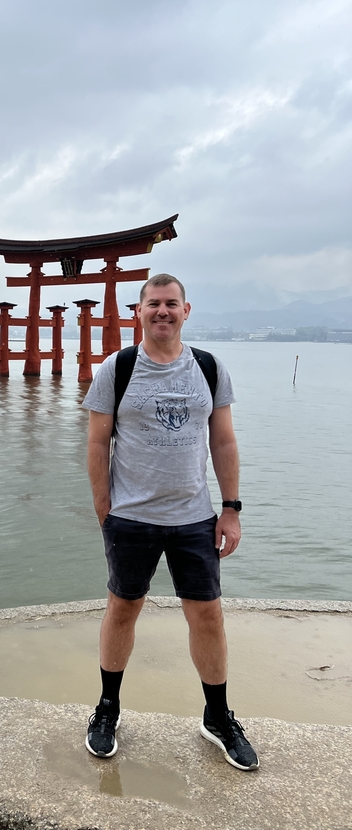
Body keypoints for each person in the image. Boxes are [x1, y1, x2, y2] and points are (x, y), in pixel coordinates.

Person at [82, 272, 259, 771]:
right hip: (131, 516)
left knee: (207, 616)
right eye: (153, 304)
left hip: (193, 517)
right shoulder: (116, 369)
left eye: (171, 304)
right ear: (137, 312)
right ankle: (108, 708)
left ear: (186, 310)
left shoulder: (207, 367)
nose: (163, 311)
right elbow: (98, 442)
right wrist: (104, 507)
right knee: (123, 609)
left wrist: (232, 508)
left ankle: (218, 716)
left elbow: (223, 440)